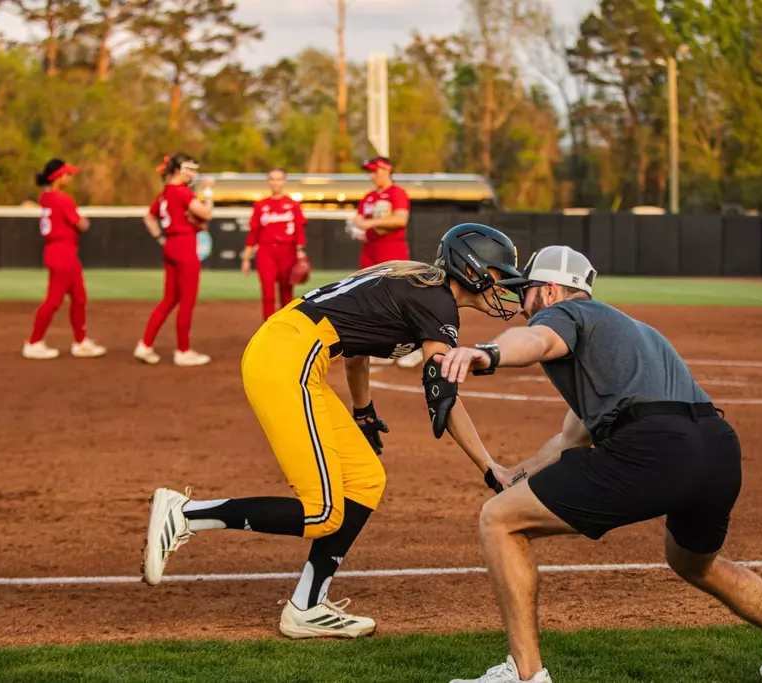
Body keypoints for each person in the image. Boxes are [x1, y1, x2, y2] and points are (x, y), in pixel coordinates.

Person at [440, 246, 762, 683]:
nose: (523, 304)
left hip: (654, 447)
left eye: (527, 292)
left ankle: (525, 676)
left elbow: (536, 340)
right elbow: (571, 438)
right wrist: (508, 474)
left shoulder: (564, 316)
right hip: (716, 447)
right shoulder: (632, 333)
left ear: (553, 290)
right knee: (696, 563)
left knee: (499, 522)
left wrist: (488, 354)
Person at [142, 224, 524, 639]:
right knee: (321, 511)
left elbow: (358, 352)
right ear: (472, 269)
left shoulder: (419, 286)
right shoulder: (437, 302)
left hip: (289, 351)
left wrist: (363, 412)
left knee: (364, 480)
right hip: (287, 358)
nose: (505, 285)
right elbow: (443, 397)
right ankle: (186, 514)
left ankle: (306, 607)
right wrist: (489, 466)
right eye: (500, 274)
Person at [133, 153, 214, 367]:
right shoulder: (181, 192)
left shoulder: (164, 194)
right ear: (180, 169)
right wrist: (208, 191)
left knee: (169, 299)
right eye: (191, 168)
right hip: (185, 245)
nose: (193, 173)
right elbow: (206, 214)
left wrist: (160, 237)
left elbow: (149, 217)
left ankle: (145, 344)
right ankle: (183, 351)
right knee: (187, 301)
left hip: (170, 245)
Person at [23, 158, 107, 360]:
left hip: (59, 252)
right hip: (63, 253)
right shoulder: (62, 199)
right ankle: (34, 342)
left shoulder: (46, 197)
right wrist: (85, 221)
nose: (70, 177)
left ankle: (81, 342)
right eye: (67, 174)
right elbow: (80, 225)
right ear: (57, 177)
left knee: (79, 298)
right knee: (54, 300)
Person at [349, 156, 421, 369]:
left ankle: (416, 348)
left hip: (391, 249)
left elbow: (399, 220)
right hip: (370, 250)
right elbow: (356, 221)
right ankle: (385, 348)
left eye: (374, 171)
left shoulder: (397, 193)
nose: (371, 175)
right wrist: (367, 226)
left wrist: (369, 223)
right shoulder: (369, 196)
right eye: (369, 172)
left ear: (386, 169)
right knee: (373, 301)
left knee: (399, 300)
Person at [241, 168, 309, 320]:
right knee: (268, 294)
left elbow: (299, 231)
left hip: (288, 251)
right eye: (272, 179)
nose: (275, 182)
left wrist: (300, 253)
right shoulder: (260, 206)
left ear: (284, 181)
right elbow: (254, 233)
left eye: (279, 179)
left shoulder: (293, 205)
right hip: (266, 251)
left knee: (287, 293)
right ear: (268, 181)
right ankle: (269, 328)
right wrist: (246, 258)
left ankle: (285, 328)